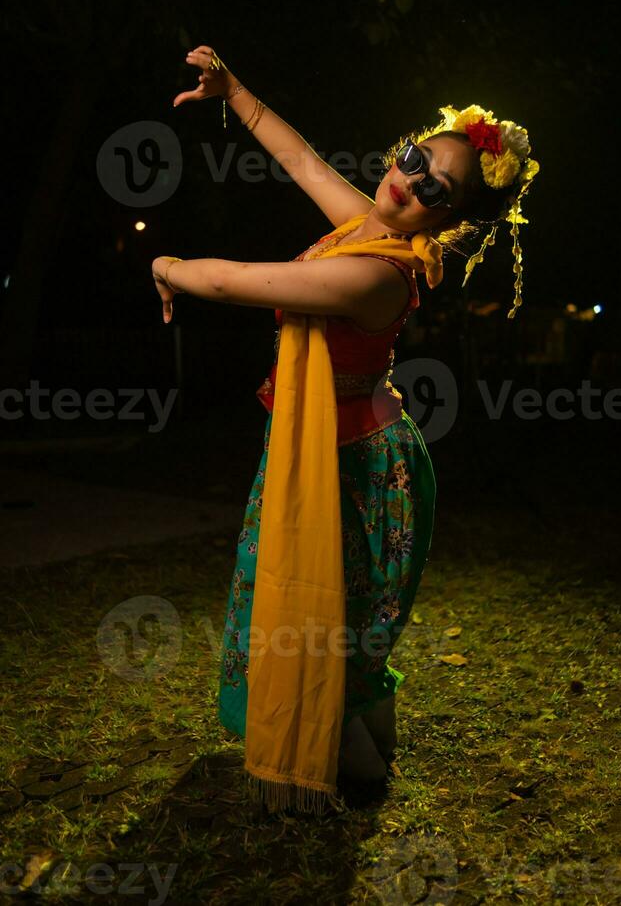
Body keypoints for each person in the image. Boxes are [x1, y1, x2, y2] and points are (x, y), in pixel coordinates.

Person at [152, 46, 539, 814]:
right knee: (344, 616)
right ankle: (369, 748)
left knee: (325, 613)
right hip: (344, 448)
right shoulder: (373, 226)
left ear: (452, 216)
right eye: (412, 159)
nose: (410, 180)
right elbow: (299, 158)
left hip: (354, 464)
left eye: (436, 186)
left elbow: (234, 281)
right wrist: (236, 93)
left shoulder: (376, 271)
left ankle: (350, 765)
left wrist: (167, 265)